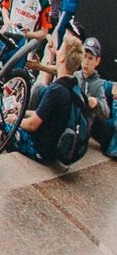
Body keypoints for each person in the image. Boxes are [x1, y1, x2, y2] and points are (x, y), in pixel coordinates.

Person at [18, 36, 90, 165]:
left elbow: (32, 125)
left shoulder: (56, 90)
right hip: (54, 149)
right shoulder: (74, 87)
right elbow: (41, 115)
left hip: (41, 150)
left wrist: (14, 120)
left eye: (60, 50)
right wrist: (22, 111)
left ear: (62, 58)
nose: (57, 52)